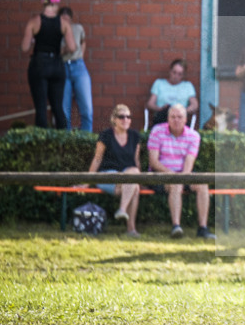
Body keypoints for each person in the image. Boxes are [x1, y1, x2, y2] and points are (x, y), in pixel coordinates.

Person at [147, 104, 216, 239]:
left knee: (202, 184)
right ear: (168, 119)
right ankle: (176, 227)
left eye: (180, 117)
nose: (176, 120)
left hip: (183, 173)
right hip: (160, 176)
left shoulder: (194, 136)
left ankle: (203, 228)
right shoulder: (157, 131)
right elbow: (153, 162)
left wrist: (181, 176)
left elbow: (189, 163)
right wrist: (173, 176)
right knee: (176, 184)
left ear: (186, 120)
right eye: (173, 117)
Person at [21, 0, 76, 128]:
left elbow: (24, 47)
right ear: (56, 4)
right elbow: (72, 47)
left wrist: (33, 40)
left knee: (41, 108)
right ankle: (62, 144)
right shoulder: (63, 23)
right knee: (58, 107)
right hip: (57, 65)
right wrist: (59, 51)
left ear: (43, 4)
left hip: (39, 64)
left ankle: (41, 146)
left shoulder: (34, 22)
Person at [84, 104, 141, 237]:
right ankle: (131, 229)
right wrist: (87, 181)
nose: (125, 119)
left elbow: (136, 160)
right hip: (107, 175)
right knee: (134, 187)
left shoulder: (134, 136)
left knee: (134, 179)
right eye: (121, 116)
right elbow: (97, 159)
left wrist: (141, 179)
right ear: (114, 119)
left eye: (128, 117)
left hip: (128, 176)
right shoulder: (106, 135)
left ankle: (122, 210)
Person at [60, 6, 94, 132]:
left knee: (86, 107)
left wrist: (81, 56)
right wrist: (65, 49)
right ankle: (66, 141)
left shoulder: (77, 28)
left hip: (78, 65)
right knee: (64, 110)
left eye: (67, 18)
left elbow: (83, 42)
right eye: (63, 19)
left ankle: (86, 139)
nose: (65, 21)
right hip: (62, 66)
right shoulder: (57, 31)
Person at [147, 59, 198, 126]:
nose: (176, 76)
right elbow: (150, 104)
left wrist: (183, 111)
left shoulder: (187, 86)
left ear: (183, 75)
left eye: (179, 74)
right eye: (174, 72)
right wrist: (160, 108)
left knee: (177, 116)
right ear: (170, 71)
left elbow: (194, 105)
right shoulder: (159, 83)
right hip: (162, 116)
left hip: (180, 119)